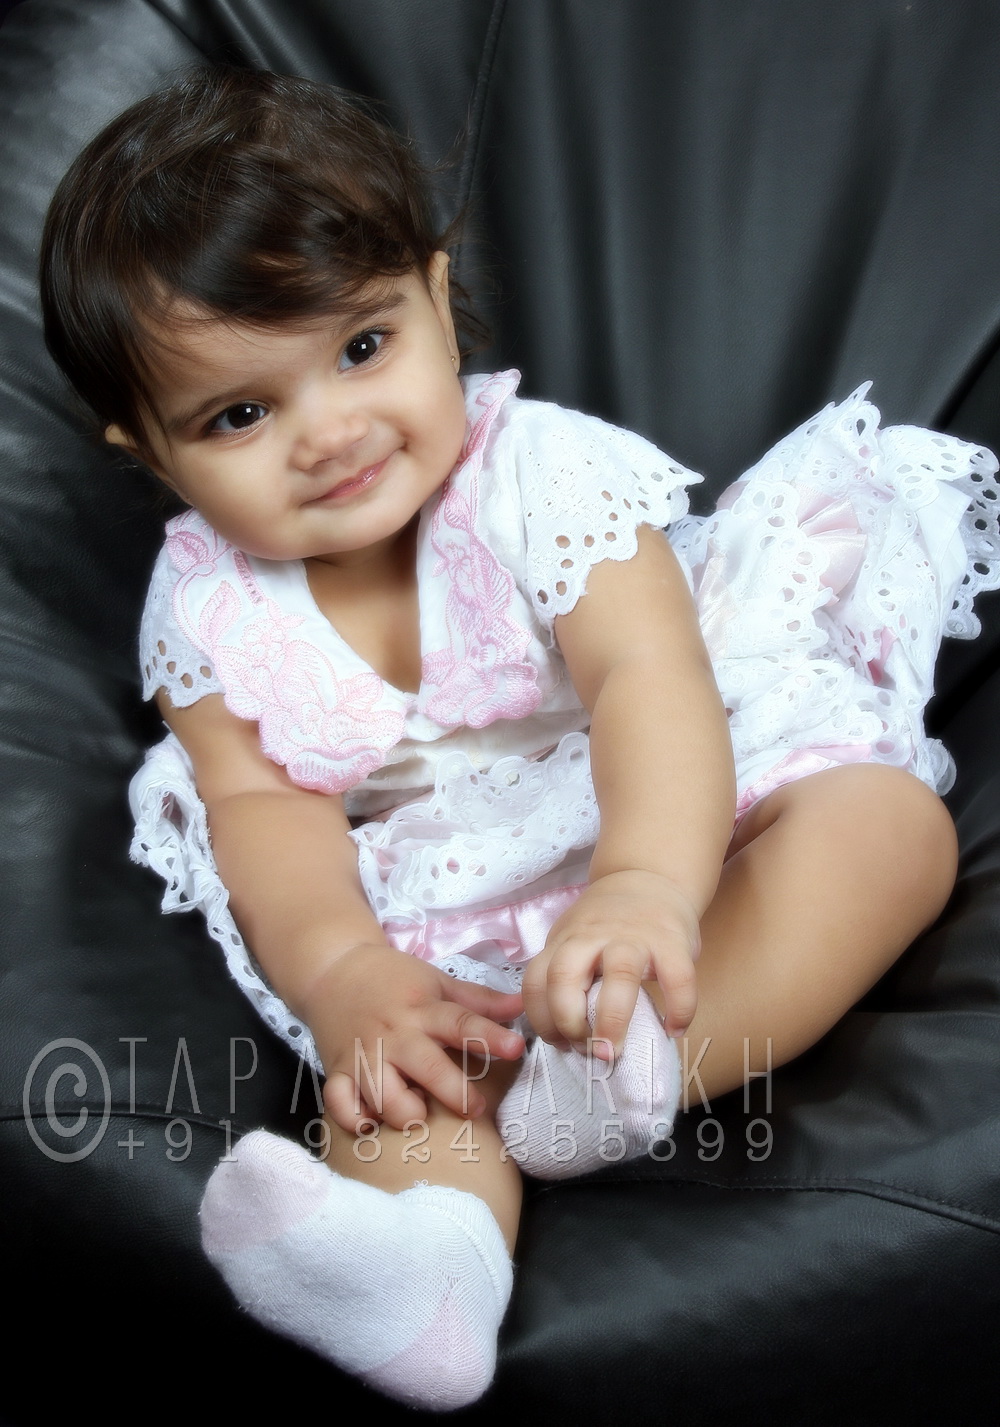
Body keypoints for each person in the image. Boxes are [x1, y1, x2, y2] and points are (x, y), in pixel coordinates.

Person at [39, 65, 999, 1413]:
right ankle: (426, 1273)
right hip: (442, 891)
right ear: (149, 451)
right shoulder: (205, 608)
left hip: (665, 799)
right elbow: (261, 812)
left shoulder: (541, 473)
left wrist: (646, 890)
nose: (330, 434)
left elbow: (648, 683)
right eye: (241, 415)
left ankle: (629, 1069)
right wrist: (349, 978)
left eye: (361, 348)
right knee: (395, 1080)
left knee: (887, 829)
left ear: (436, 300)